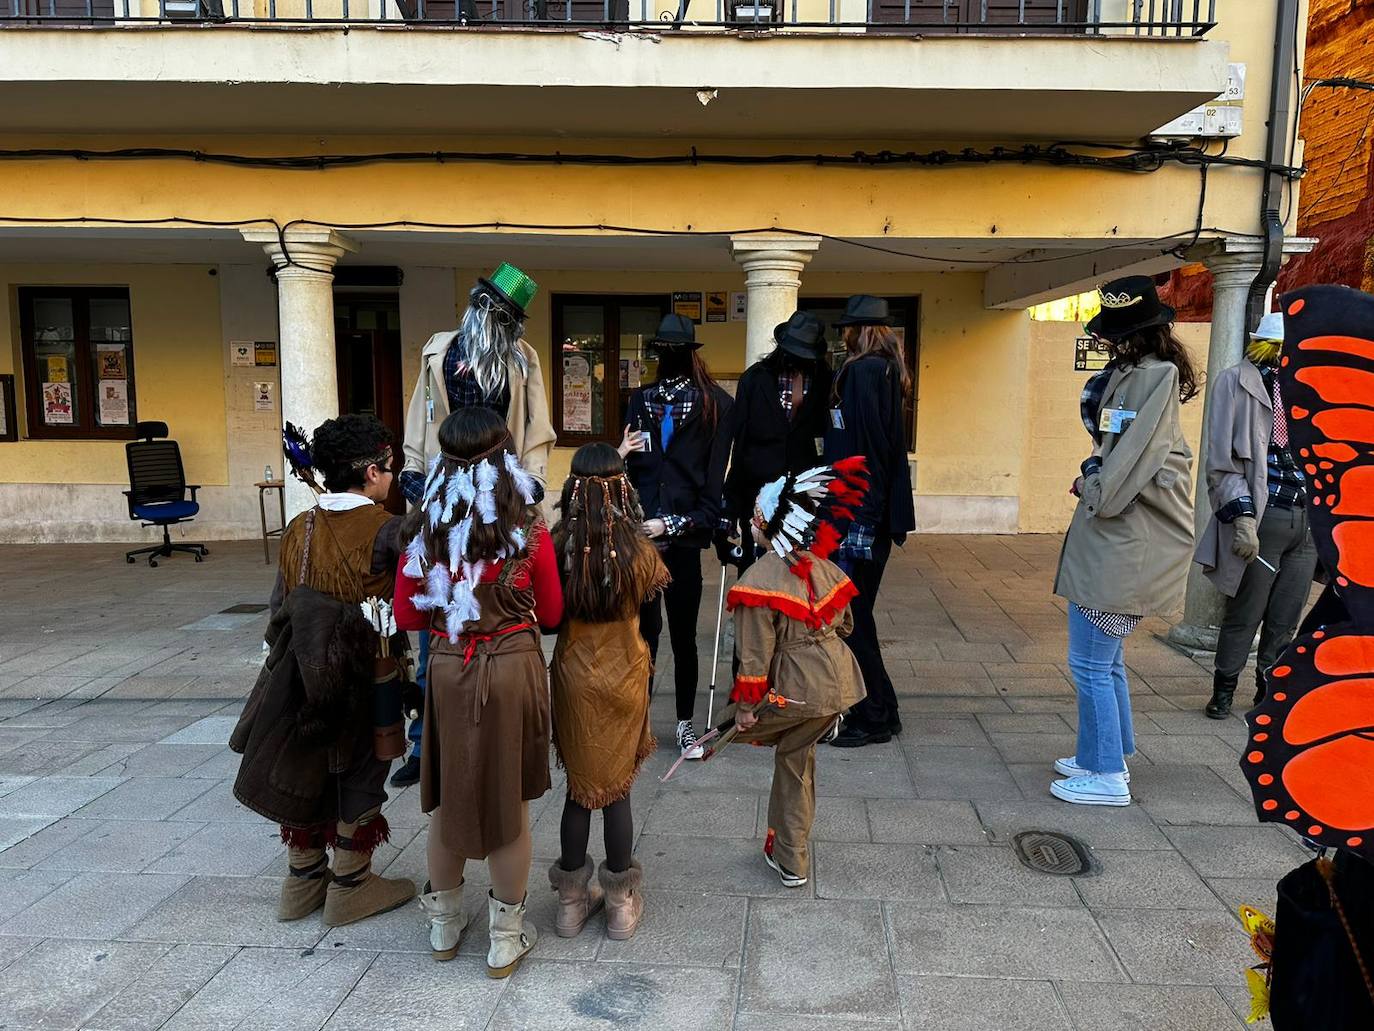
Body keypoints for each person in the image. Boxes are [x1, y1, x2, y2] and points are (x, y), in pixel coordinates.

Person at [392, 407, 563, 979]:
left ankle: (444, 925)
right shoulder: (530, 527)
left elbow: (403, 615)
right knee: (508, 799)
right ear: (504, 455)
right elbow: (556, 612)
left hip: (446, 665)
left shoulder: (423, 529)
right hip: (512, 666)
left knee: (446, 793)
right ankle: (505, 938)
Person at [230, 414, 416, 927]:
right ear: (373, 471)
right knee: (360, 769)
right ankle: (351, 886)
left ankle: (303, 880)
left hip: (296, 674)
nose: (393, 476)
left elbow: (278, 610)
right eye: (391, 466)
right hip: (365, 676)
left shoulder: (296, 529)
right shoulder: (388, 530)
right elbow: (410, 606)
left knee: (308, 764)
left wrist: (305, 658)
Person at [393, 262, 556, 789]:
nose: (492, 317)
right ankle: (425, 743)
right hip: (444, 492)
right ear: (476, 303)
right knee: (439, 601)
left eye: (504, 313)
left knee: (497, 600)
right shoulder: (439, 351)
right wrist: (414, 471)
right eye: (488, 305)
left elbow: (536, 429)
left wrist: (531, 486)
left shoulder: (523, 359)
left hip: (500, 495)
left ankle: (498, 715)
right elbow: (422, 414)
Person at [1052, 275, 1197, 806]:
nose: (1108, 343)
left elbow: (1122, 472)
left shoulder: (1148, 377)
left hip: (1124, 546)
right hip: (1119, 543)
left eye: (1115, 334)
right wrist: (1097, 476)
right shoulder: (1140, 373)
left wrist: (1091, 482)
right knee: (1104, 660)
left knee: (1090, 663)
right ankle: (1107, 752)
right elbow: (1119, 454)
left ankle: (1106, 774)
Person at [546, 443, 670, 941]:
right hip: (625, 675)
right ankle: (620, 904)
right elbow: (653, 622)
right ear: (624, 489)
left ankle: (571, 906)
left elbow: (550, 619)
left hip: (573, 675)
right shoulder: (640, 550)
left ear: (572, 489)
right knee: (617, 790)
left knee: (580, 791)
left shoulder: (556, 545)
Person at [727, 458, 868, 887]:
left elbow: (754, 655)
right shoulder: (822, 566)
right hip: (839, 682)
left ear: (767, 525)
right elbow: (845, 624)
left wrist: (746, 708)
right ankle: (784, 843)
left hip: (799, 688)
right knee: (797, 757)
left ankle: (791, 858)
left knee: (792, 760)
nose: (750, 526)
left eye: (754, 519)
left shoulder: (758, 577)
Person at [620, 313, 733, 760]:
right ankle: (639, 722)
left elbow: (713, 493)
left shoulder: (716, 406)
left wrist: (672, 524)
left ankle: (685, 725)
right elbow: (625, 471)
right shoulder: (640, 401)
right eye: (661, 351)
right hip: (642, 543)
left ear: (687, 355)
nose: (667, 358)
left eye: (673, 351)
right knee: (644, 634)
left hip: (681, 543)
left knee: (684, 636)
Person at [1194, 310, 1318, 718]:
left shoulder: (1312, 386)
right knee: (1246, 611)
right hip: (1265, 515)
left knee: (1286, 616)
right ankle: (1224, 688)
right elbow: (1220, 458)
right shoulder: (1236, 381)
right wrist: (1243, 518)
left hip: (1308, 520)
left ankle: (1269, 687)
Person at [823, 295, 916, 748]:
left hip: (859, 512)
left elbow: (870, 451)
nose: (841, 335)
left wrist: (862, 518)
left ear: (858, 331)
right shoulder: (885, 370)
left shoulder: (863, 372)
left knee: (851, 619)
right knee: (857, 618)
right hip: (866, 510)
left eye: (846, 328)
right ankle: (883, 710)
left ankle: (874, 716)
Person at [718, 310, 833, 576]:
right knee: (756, 569)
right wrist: (731, 502)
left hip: (805, 493)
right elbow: (741, 441)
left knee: (803, 569)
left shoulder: (825, 379)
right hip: (757, 490)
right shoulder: (754, 379)